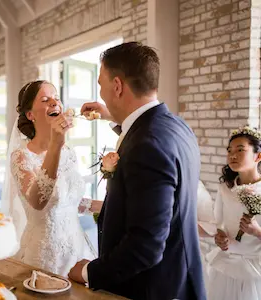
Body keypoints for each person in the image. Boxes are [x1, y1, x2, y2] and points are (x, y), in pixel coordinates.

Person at [68, 42, 206, 300]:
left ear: (117, 86)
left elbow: (146, 246)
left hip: (150, 288)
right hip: (178, 279)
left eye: (101, 84)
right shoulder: (177, 126)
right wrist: (112, 116)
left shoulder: (147, 146)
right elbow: (143, 140)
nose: (101, 92)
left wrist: (89, 272)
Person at [1, 80, 101, 277]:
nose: (55, 103)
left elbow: (70, 202)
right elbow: (38, 201)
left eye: (56, 98)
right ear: (30, 115)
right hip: (44, 256)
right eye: (45, 100)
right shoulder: (21, 157)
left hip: (77, 250)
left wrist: (113, 206)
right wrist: (55, 144)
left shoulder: (69, 153)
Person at [205, 126, 261, 300]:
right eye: (229, 150)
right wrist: (219, 237)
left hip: (255, 270)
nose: (232, 155)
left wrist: (256, 231)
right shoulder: (225, 188)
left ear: (258, 156)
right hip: (227, 265)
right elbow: (219, 224)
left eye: (240, 150)